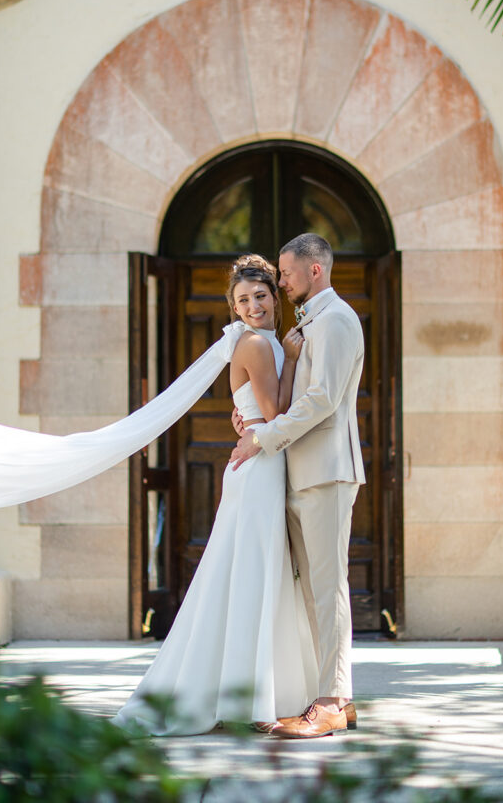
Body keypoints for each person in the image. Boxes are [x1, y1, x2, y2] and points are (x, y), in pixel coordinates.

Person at [113, 254, 318, 735]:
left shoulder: (263, 341)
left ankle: (258, 692)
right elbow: (277, 409)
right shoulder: (257, 345)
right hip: (259, 469)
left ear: (274, 295)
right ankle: (249, 698)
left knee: (256, 574)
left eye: (261, 296)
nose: (253, 306)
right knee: (252, 574)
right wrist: (290, 359)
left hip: (262, 462)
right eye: (243, 301)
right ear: (233, 306)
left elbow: (260, 412)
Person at [230, 233, 365, 739]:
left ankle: (330, 703)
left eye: (285, 274)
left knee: (328, 588)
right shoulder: (313, 322)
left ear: (315, 271)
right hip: (301, 472)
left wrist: (262, 436)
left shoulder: (336, 320)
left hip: (327, 471)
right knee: (313, 589)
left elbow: (322, 400)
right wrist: (250, 417)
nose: (279, 282)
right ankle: (336, 697)